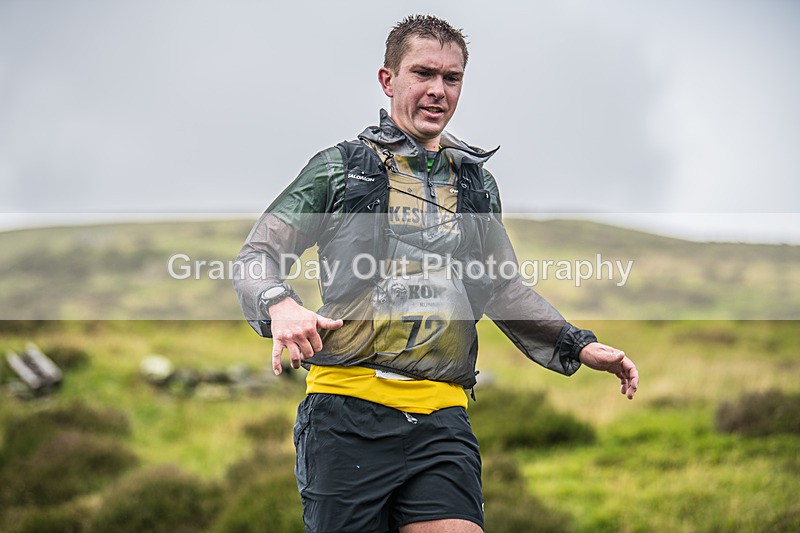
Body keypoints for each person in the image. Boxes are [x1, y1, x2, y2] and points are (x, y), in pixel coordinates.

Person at [234, 14, 638, 533]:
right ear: (388, 80)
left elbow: (500, 286)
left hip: (442, 416)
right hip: (345, 414)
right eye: (423, 74)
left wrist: (579, 344)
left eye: (452, 78)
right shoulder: (340, 168)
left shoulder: (476, 183)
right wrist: (279, 303)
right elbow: (256, 254)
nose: (437, 91)